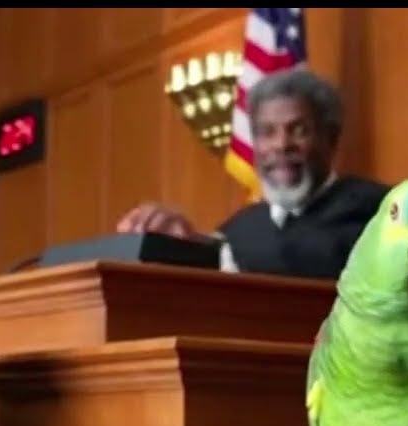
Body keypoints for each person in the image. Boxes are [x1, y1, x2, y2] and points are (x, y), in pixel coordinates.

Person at [116, 68, 390, 280]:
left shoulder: (381, 211)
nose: (281, 145)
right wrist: (184, 244)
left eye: (299, 130)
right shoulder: (239, 229)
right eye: (267, 132)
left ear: (331, 138)